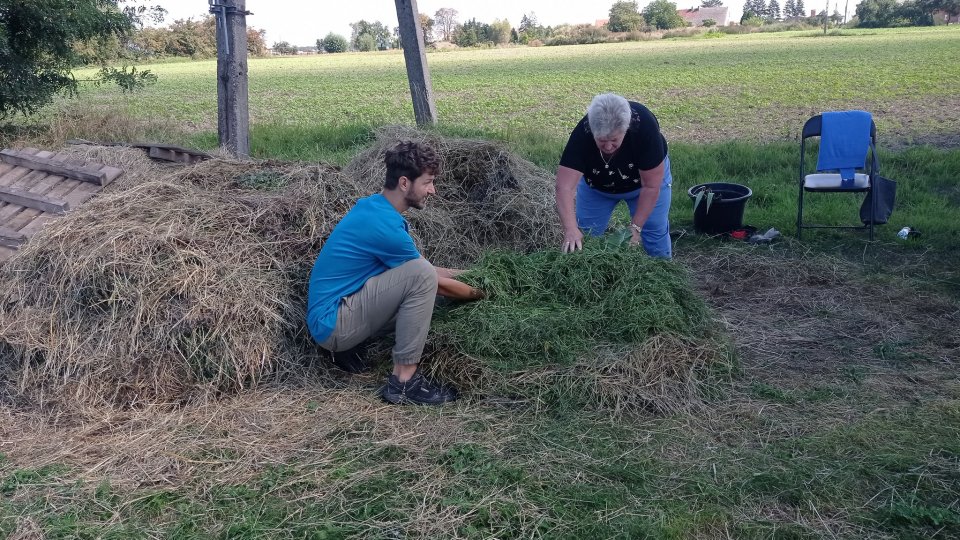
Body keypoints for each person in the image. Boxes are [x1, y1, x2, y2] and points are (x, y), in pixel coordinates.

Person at [306, 140, 464, 405]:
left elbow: (426, 269)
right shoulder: (383, 225)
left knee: (421, 278)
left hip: (339, 313)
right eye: (427, 182)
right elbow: (431, 279)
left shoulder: (376, 208)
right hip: (333, 325)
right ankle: (403, 383)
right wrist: (483, 292)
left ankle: (353, 350)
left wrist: (476, 274)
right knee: (422, 279)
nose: (432, 190)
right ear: (405, 183)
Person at [555, 93, 673, 258]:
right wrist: (570, 229)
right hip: (596, 187)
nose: (609, 146)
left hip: (643, 186)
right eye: (602, 141)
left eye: (614, 140)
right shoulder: (583, 133)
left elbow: (652, 186)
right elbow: (564, 187)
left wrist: (636, 227)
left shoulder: (644, 128)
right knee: (586, 236)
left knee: (654, 229)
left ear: (625, 129)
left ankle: (662, 273)